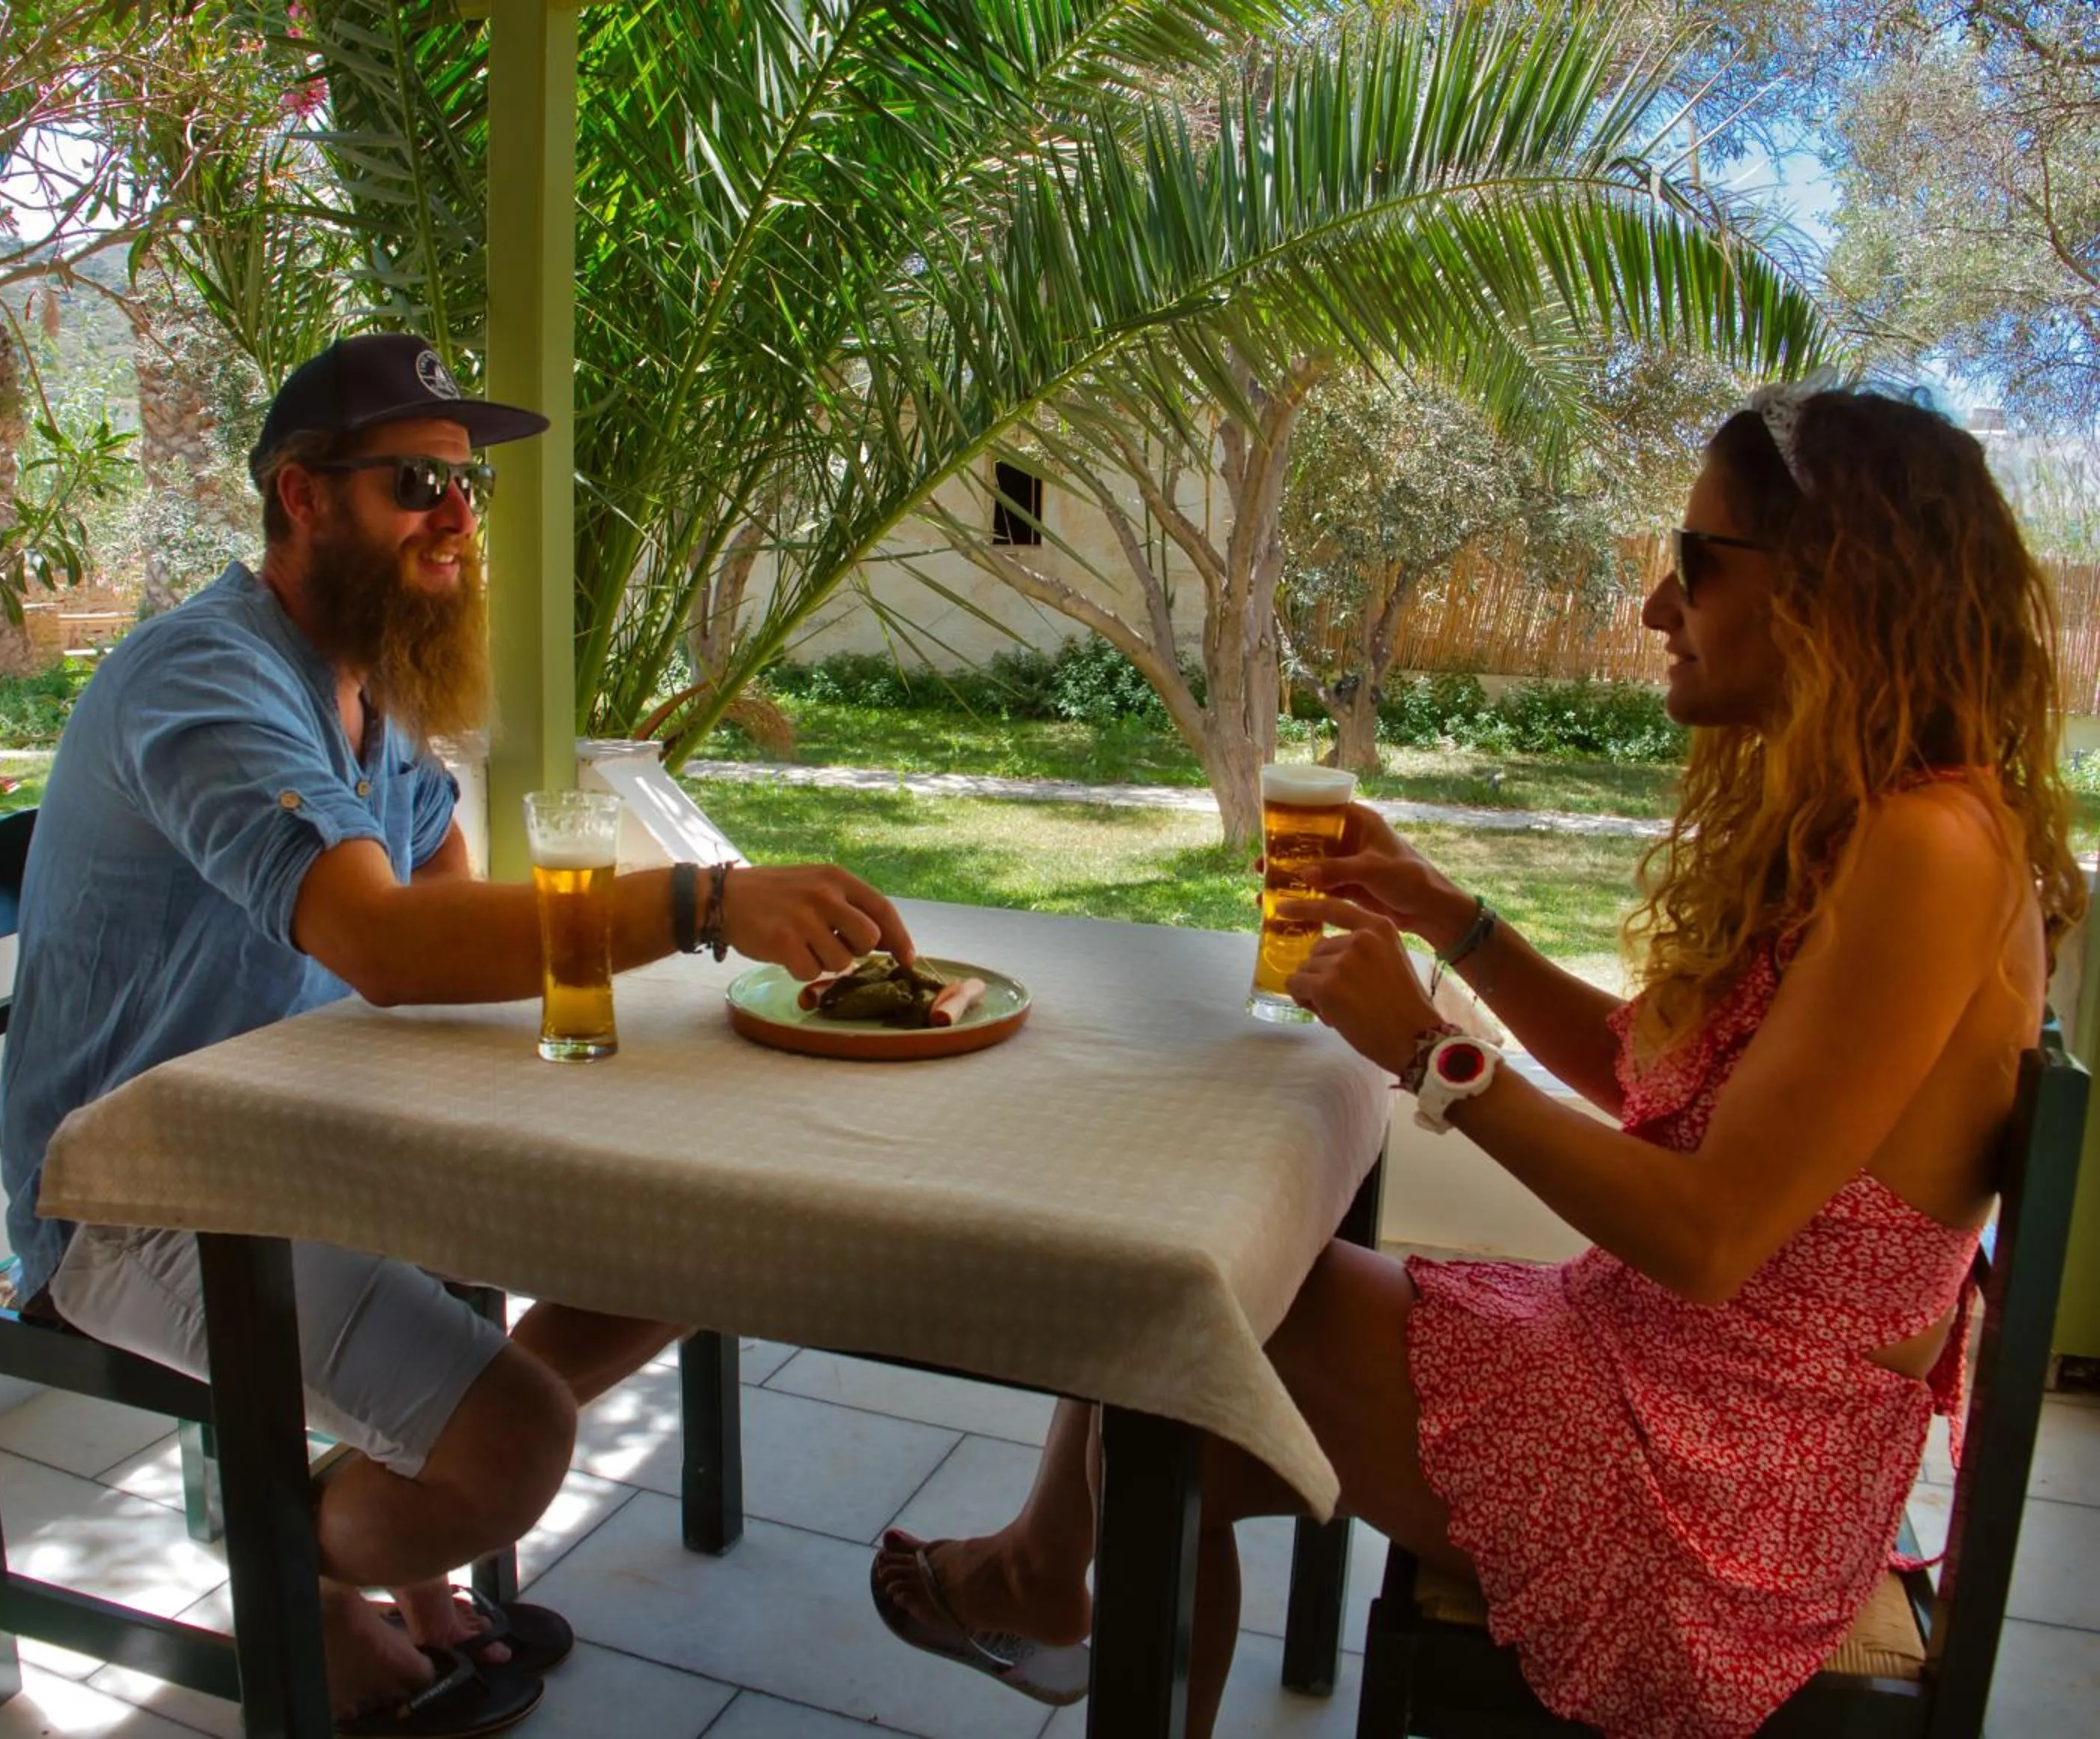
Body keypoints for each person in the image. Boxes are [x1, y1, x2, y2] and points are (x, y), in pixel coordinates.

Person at [870, 386, 2086, 1739]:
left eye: (1694, 560)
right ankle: (1042, 1571)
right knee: (1181, 1383)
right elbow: (1652, 1080)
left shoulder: (1930, 850)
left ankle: (1038, 1572)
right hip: (1665, 1382)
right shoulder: (1876, 828)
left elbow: (1710, 1236)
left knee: (1182, 1299)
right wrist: (1450, 915)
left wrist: (1428, 1049)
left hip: (1717, 1492)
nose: (1657, 607)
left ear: (1832, 588)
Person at [0, 333, 916, 1737]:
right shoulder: (208, 680)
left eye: (467, 487)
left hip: (309, 1142)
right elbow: (386, 942)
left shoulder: (369, 688)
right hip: (145, 1193)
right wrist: (702, 903)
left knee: (691, 1237)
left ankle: (403, 1507)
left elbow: (448, 920)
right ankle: (301, 1573)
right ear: (303, 495)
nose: (457, 518)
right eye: (418, 483)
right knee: (518, 1441)